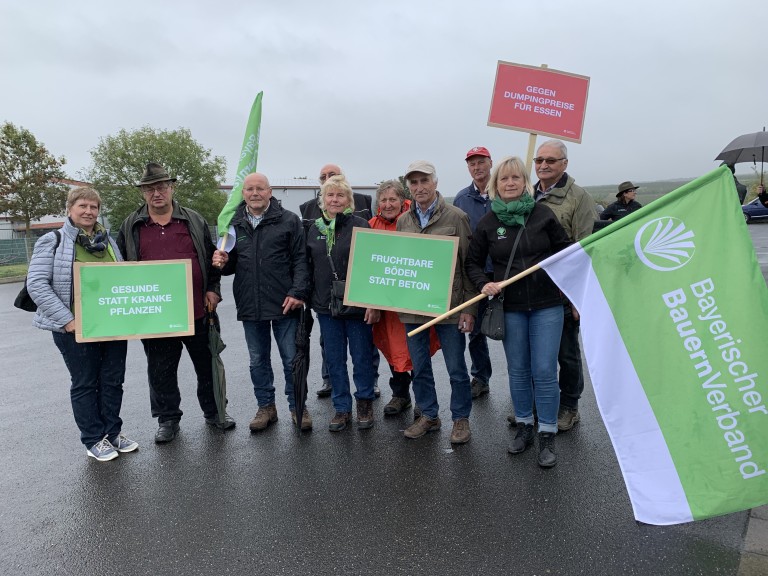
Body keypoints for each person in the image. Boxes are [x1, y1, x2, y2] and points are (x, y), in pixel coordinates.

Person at [117, 163, 234, 444]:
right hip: (156, 315)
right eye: (149, 188)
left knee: (207, 366)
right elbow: (119, 268)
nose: (156, 193)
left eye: (161, 187)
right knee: (160, 370)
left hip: (198, 310)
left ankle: (216, 412)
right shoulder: (131, 225)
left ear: (172, 188)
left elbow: (210, 259)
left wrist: (213, 290)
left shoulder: (192, 220)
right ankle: (167, 419)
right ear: (143, 193)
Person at [467, 157, 571, 467]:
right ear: (495, 185)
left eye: (516, 178)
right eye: (504, 179)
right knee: (519, 370)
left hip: (546, 306)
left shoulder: (542, 215)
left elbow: (566, 253)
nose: (510, 183)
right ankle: (525, 426)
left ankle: (547, 433)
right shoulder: (488, 223)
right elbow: (472, 263)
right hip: (509, 308)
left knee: (544, 370)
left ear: (524, 181)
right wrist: (484, 284)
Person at [27, 187, 137, 462]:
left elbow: (120, 280)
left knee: (113, 381)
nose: (89, 212)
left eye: (94, 207)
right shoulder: (53, 240)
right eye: (83, 206)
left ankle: (113, 432)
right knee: (86, 383)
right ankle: (93, 439)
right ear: (70, 209)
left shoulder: (108, 241)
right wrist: (68, 320)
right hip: (74, 328)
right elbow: (37, 285)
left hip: (110, 325)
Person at [212, 173, 310, 431]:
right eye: (249, 189)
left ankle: (297, 406)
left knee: (291, 359)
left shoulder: (289, 221)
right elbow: (231, 265)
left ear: (269, 192)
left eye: (260, 189)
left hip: (283, 303)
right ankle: (266, 407)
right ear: (243, 194)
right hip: (250, 303)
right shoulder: (233, 225)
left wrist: (298, 292)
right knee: (258, 361)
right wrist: (222, 263)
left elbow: (301, 259)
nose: (254, 193)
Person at [396, 160, 477, 445]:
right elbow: (399, 264)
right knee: (419, 367)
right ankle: (429, 415)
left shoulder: (456, 217)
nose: (419, 187)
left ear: (435, 182)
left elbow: (469, 266)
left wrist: (469, 308)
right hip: (414, 308)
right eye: (414, 183)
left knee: (456, 367)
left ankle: (460, 419)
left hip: (450, 307)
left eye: (424, 181)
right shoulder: (403, 221)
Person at [305, 175, 379, 431]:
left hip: (356, 304)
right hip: (326, 306)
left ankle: (365, 403)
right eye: (330, 195)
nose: (334, 200)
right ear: (322, 200)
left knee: (361, 357)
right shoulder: (314, 228)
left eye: (340, 195)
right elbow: (308, 266)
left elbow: (371, 266)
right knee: (334, 359)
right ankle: (341, 408)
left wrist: (372, 303)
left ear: (348, 200)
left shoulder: (361, 225)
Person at [532, 140, 597, 432]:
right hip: (531, 290)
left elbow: (587, 249)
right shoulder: (526, 193)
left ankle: (570, 406)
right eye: (539, 160)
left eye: (551, 161)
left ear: (564, 164)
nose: (543, 165)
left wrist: (577, 298)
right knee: (537, 353)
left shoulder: (579, 198)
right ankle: (540, 405)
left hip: (561, 291)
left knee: (566, 353)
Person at [368, 180, 439, 417]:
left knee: (417, 351)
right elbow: (366, 267)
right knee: (392, 348)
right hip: (385, 305)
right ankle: (400, 395)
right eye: (384, 200)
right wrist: (372, 302)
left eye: (393, 199)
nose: (388, 204)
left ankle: (423, 400)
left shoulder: (413, 222)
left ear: (402, 201)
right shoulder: (370, 226)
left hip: (413, 301)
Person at [453, 146, 494, 399]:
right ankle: (480, 376)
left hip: (504, 272)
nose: (477, 167)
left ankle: (522, 383)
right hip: (476, 273)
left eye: (481, 162)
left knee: (512, 329)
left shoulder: (504, 192)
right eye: (472, 164)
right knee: (476, 329)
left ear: (491, 163)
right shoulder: (462, 199)